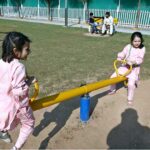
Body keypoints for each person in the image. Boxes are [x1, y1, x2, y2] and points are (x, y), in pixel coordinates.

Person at [0, 32, 37, 149]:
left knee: (3, 121)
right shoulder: (19, 67)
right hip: (18, 106)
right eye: (27, 50)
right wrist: (29, 82)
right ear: (16, 51)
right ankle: (16, 148)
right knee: (29, 124)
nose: (29, 53)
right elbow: (18, 92)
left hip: (3, 103)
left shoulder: (1, 62)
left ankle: (2, 130)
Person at [108, 32, 146, 105]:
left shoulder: (142, 48)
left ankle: (130, 98)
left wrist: (134, 62)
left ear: (141, 41)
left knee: (131, 84)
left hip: (134, 69)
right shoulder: (128, 46)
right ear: (132, 40)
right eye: (135, 41)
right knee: (112, 77)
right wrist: (120, 56)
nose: (137, 43)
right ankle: (112, 90)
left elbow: (140, 59)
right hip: (125, 67)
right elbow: (123, 53)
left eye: (139, 41)